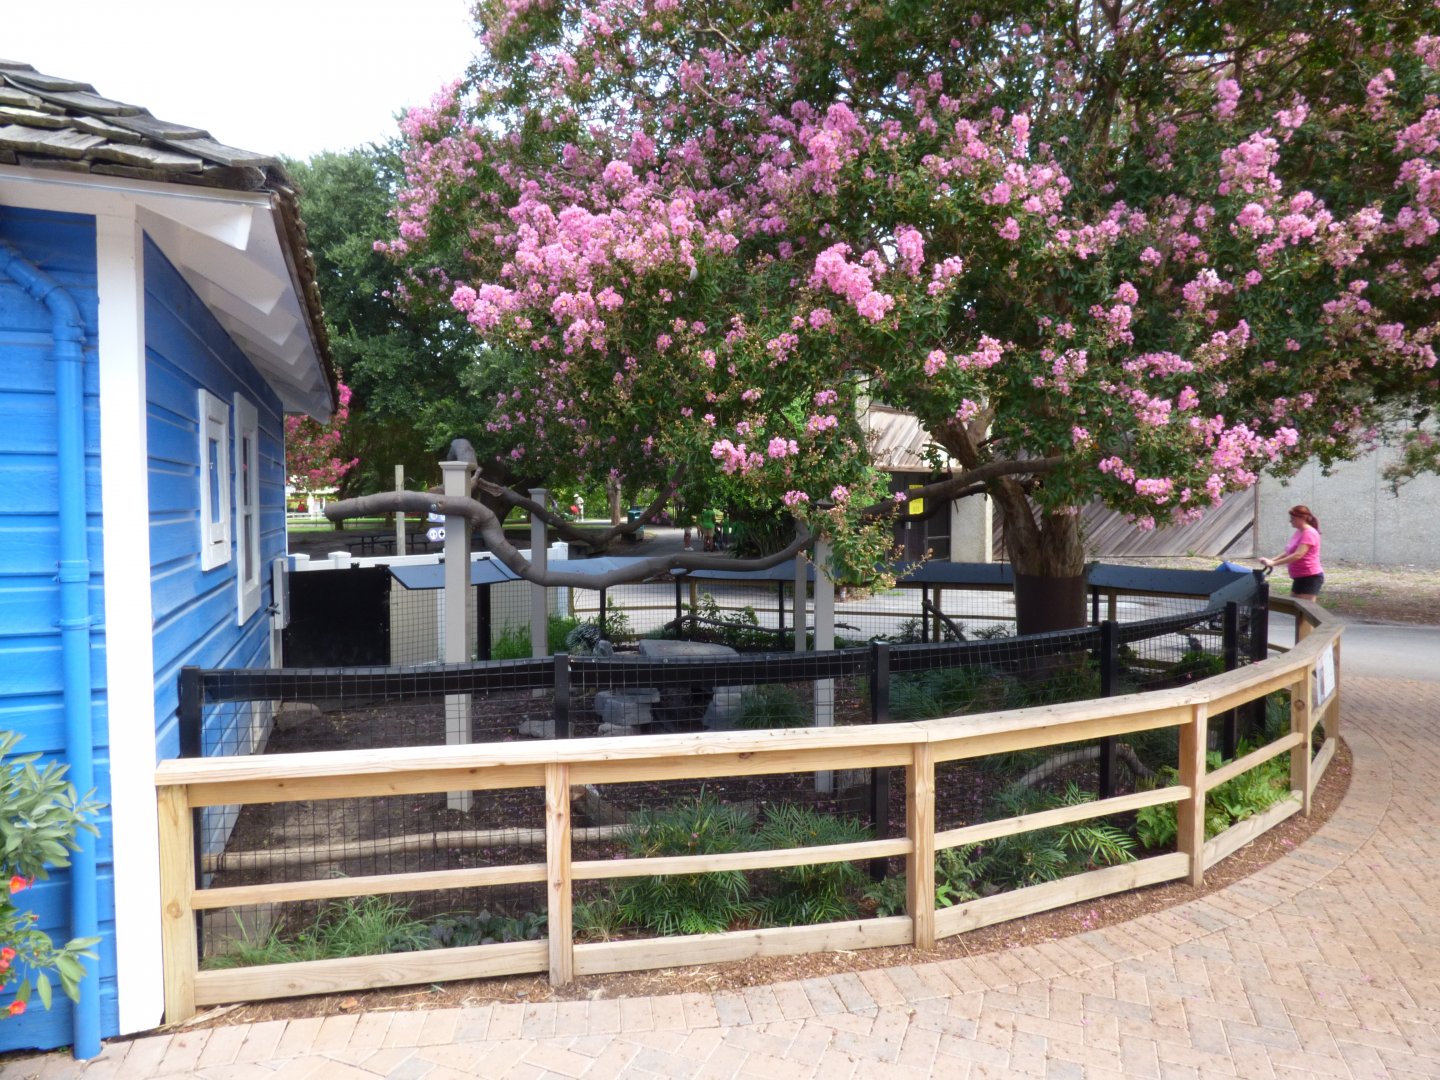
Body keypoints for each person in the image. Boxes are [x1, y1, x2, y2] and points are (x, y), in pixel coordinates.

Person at [1260, 504, 1325, 600]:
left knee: (1305, 610)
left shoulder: (1309, 533)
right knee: (1294, 608)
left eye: (1293, 518)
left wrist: (1274, 563)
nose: (1290, 521)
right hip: (1300, 576)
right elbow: (1289, 552)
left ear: (1302, 518)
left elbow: (1298, 555)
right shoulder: (1299, 531)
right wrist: (1271, 561)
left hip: (1310, 577)